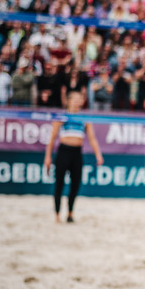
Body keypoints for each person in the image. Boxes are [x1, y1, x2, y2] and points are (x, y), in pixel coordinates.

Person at [43, 90, 104, 223]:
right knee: (59, 184)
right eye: (75, 99)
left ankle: (70, 213)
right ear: (68, 101)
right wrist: (47, 157)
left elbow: (92, 139)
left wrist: (98, 155)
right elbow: (52, 138)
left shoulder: (84, 118)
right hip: (64, 151)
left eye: (80, 99)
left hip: (77, 152)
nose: (78, 102)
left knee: (75, 184)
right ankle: (57, 215)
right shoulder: (62, 117)